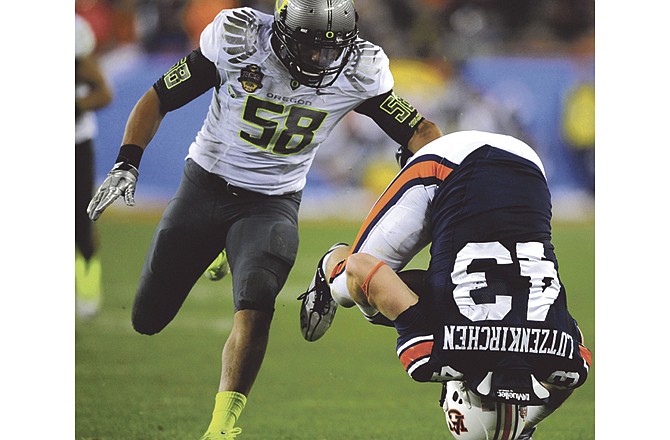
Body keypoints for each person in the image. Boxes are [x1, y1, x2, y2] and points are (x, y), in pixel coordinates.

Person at [86, 1, 442, 438]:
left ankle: (222, 426)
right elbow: (159, 96)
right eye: (311, 47)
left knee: (255, 308)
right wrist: (127, 162)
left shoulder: (358, 69)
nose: (321, 60)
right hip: (206, 187)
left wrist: (432, 166)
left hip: (273, 202)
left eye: (332, 50)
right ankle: (222, 245)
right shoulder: (239, 41)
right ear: (282, 32)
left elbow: (421, 131)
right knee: (148, 318)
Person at [300, 130, 592, 439]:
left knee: (435, 300)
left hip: (528, 164)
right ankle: (330, 264)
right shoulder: (432, 359)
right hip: (451, 166)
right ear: (460, 400)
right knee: (355, 292)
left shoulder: (566, 364)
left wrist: (527, 420)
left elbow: (574, 350)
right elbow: (362, 266)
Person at [75, 13, 113, 319]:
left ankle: (87, 282)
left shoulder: (73, 31)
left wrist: (74, 105)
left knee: (79, 221)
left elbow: (103, 92)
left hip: (74, 142)